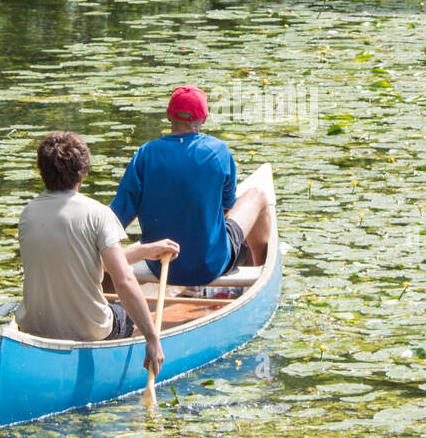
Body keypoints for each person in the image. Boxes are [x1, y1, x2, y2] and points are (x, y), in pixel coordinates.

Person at [16, 131, 178, 380]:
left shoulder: (28, 214)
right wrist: (153, 338)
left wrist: (144, 251)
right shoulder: (98, 214)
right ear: (83, 172)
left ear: (41, 171)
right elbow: (123, 280)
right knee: (123, 314)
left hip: (34, 328)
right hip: (89, 330)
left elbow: (78, 259)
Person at [110, 85, 271, 286]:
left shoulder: (145, 154)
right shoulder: (218, 151)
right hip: (210, 266)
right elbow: (228, 207)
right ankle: (261, 278)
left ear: (169, 115)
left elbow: (117, 218)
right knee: (257, 196)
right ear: (203, 119)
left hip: (160, 264)